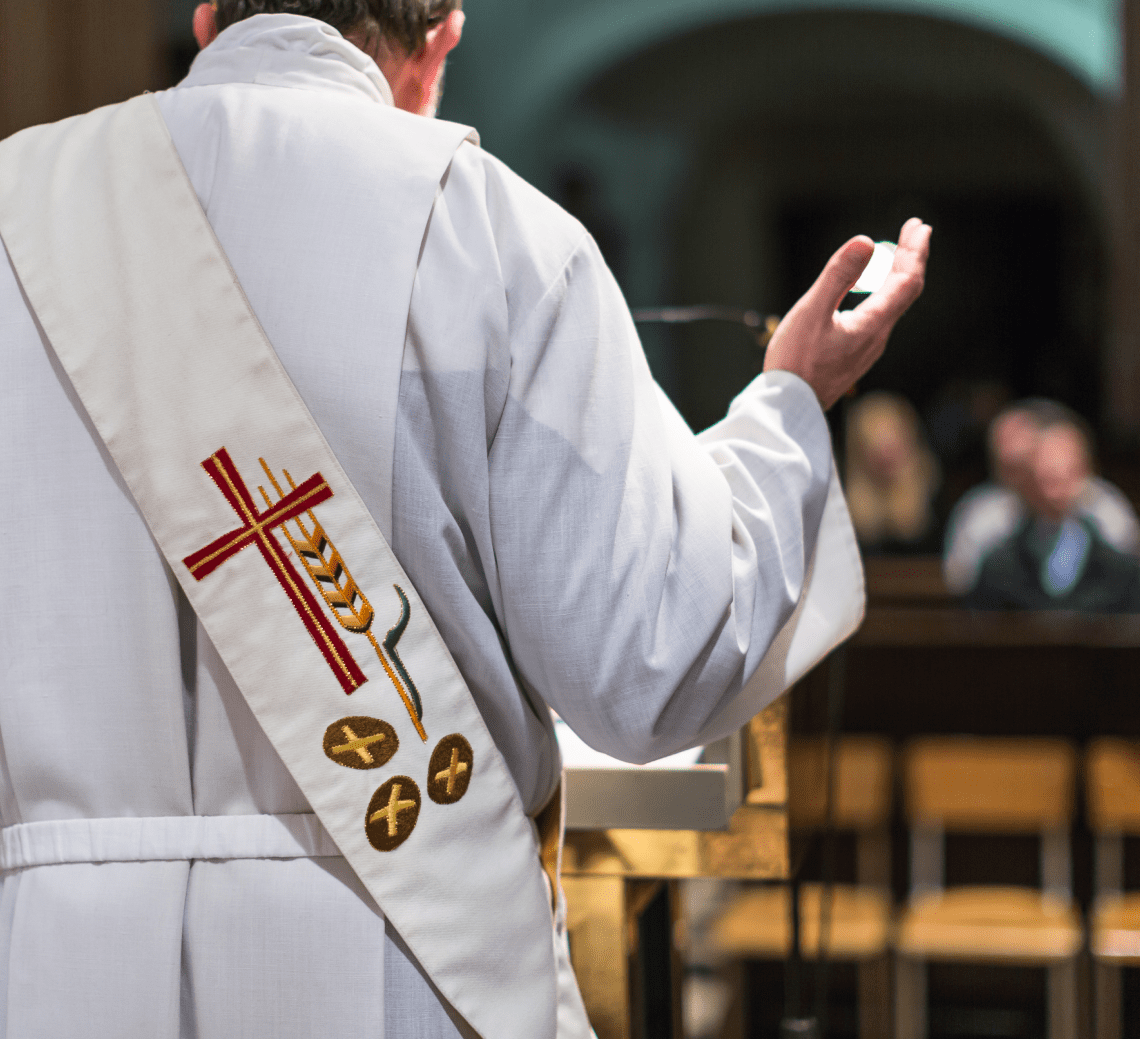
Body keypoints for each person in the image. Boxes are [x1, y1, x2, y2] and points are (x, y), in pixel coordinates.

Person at [0, 2, 930, 1036]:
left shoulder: (15, 213)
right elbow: (652, 656)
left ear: (209, 15)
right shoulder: (484, 228)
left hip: (46, 970)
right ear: (440, 36)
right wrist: (786, 408)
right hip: (389, 955)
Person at [943, 400, 1139, 594]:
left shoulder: (1107, 510)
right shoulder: (986, 515)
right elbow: (962, 581)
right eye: (1046, 479)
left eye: (1065, 474)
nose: (1055, 492)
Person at [844, 391, 941, 554]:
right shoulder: (841, 516)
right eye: (876, 448)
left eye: (892, 446)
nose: (886, 457)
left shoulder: (936, 502)